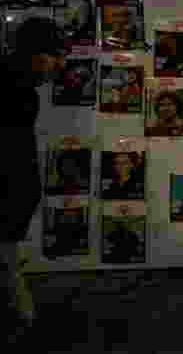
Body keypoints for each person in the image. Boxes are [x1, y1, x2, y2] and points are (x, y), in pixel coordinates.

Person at [0, 17, 65, 343]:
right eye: (54, 55)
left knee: (11, 270)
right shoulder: (13, 88)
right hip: (6, 206)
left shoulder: (22, 87)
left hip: (11, 206)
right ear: (34, 53)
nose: (58, 64)